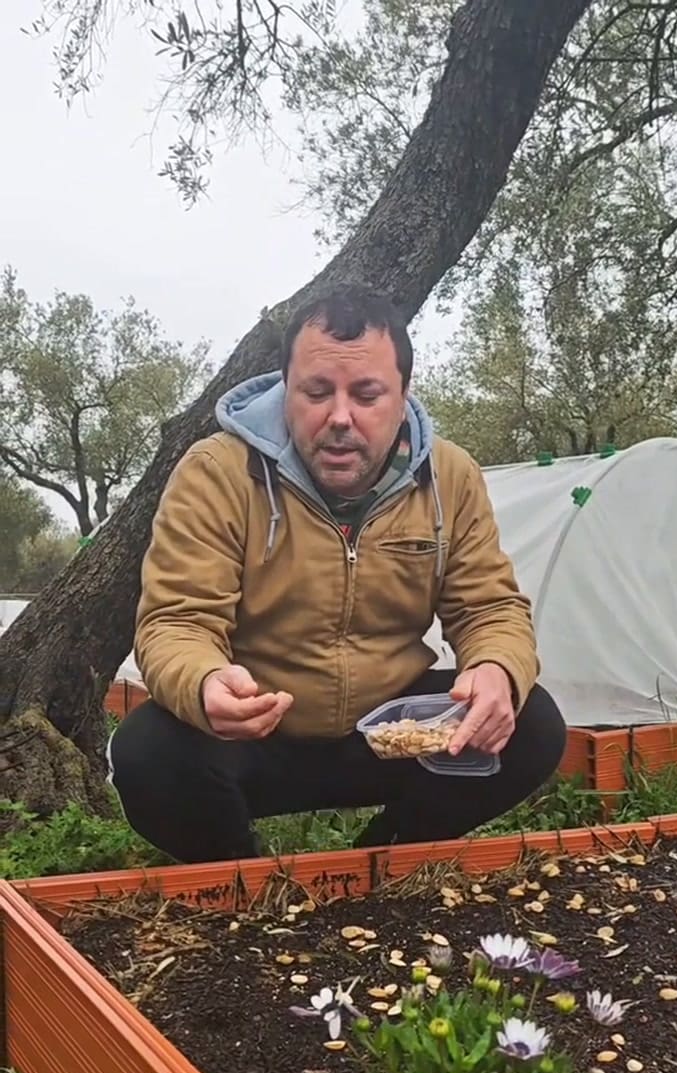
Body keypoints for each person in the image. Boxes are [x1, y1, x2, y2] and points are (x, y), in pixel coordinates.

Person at [109, 285, 566, 861]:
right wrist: (204, 683)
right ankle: (243, 881)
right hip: (256, 731)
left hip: (389, 733)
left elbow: (489, 608)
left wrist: (498, 668)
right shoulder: (216, 471)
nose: (340, 417)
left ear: (402, 396)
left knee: (532, 723)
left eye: (367, 394)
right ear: (287, 389)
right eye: (317, 391)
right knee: (147, 752)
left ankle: (385, 862)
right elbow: (176, 620)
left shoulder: (450, 477)